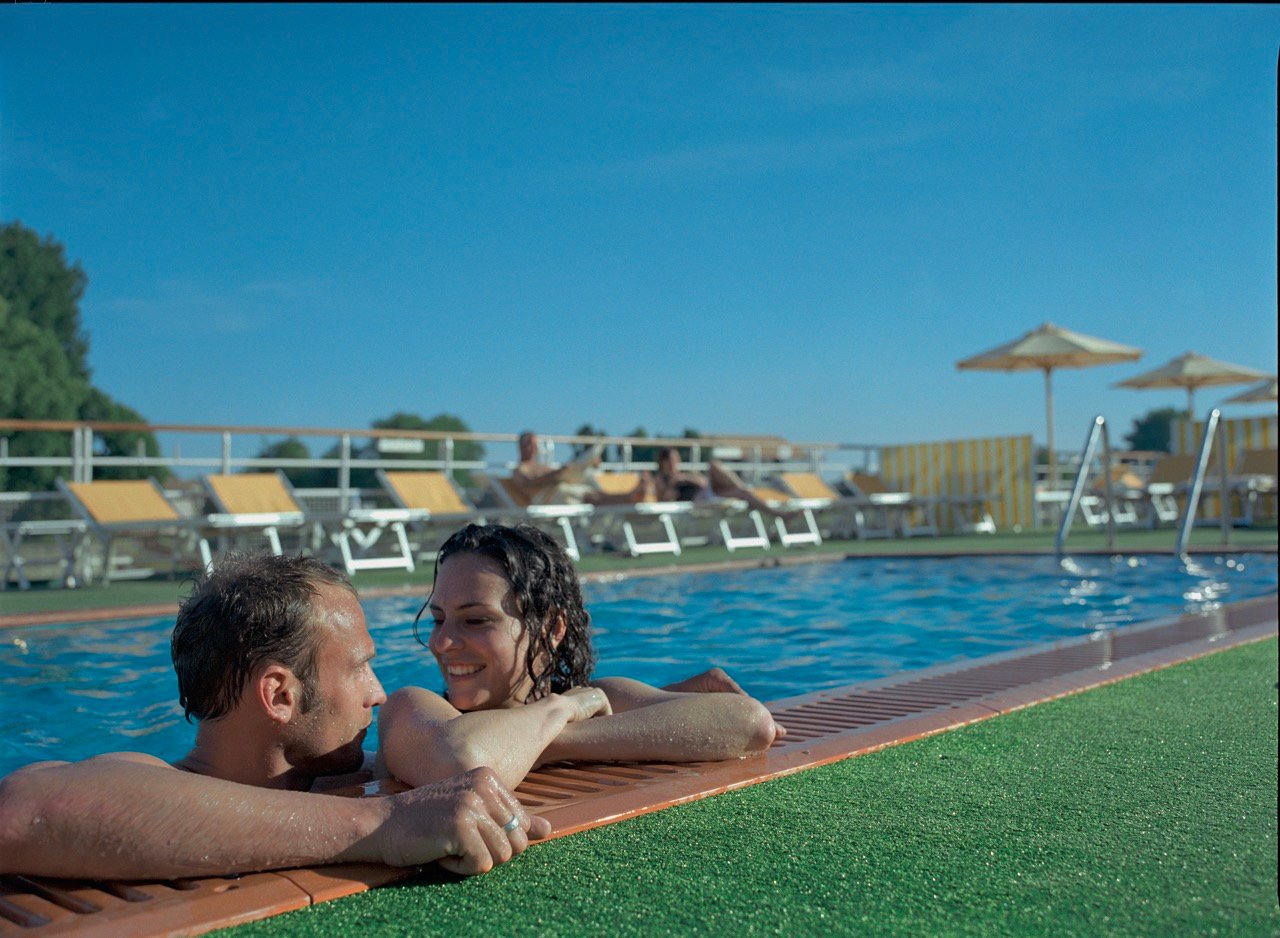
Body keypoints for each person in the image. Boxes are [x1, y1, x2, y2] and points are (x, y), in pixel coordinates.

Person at [0, 553, 547, 880]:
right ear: (279, 695)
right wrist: (386, 823)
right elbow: (22, 811)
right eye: (359, 669)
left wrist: (570, 708)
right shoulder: (147, 780)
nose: (377, 693)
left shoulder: (364, 769)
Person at [377, 523, 781, 790]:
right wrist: (559, 714)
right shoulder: (414, 710)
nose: (442, 643)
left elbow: (750, 723)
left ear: (552, 629)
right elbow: (462, 763)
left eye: (476, 620)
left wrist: (547, 737)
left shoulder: (589, 699)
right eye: (438, 620)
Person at [509, 430, 652, 506]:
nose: (534, 448)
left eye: (535, 445)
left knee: (590, 482)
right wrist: (556, 474)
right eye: (531, 444)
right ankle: (629, 497)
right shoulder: (519, 469)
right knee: (591, 497)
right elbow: (528, 483)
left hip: (562, 490)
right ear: (521, 446)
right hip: (549, 498)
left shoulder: (541, 466)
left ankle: (630, 496)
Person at [652, 446, 793, 518]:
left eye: (676, 459)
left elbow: (703, 482)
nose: (674, 463)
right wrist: (671, 485)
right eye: (671, 460)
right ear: (663, 462)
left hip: (710, 493)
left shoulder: (684, 474)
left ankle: (778, 515)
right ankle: (778, 515)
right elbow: (662, 500)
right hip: (699, 500)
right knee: (714, 465)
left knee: (743, 493)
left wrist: (686, 478)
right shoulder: (660, 479)